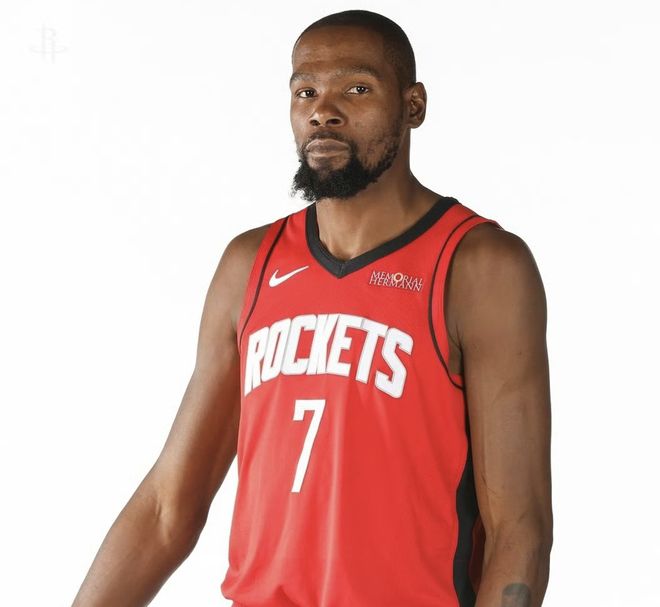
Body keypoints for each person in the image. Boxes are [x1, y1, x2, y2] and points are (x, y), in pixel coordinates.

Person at [72, 9, 552, 607]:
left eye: (357, 88)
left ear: (413, 106)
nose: (324, 110)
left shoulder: (480, 266)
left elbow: (520, 530)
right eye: (306, 92)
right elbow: (169, 509)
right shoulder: (249, 265)